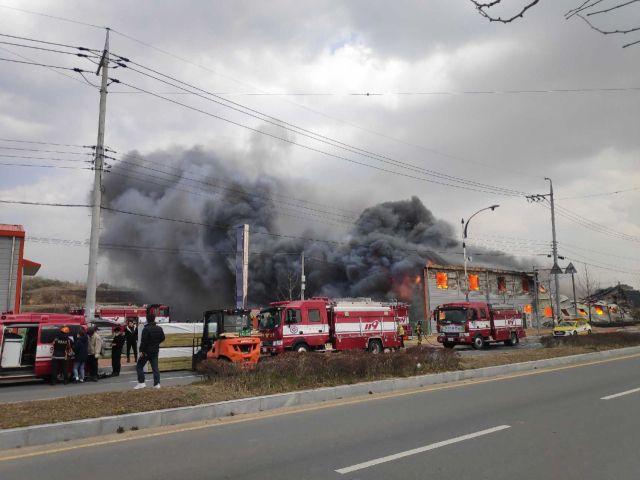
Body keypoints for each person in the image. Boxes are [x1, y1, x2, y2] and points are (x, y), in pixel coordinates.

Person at [135, 307, 165, 390]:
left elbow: (143, 341)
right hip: (155, 350)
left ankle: (141, 383)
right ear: (154, 319)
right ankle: (157, 384)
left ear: (147, 320)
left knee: (139, 366)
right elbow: (163, 338)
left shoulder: (146, 329)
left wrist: (141, 351)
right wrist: (156, 343)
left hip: (146, 351)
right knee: (155, 367)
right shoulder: (159, 328)